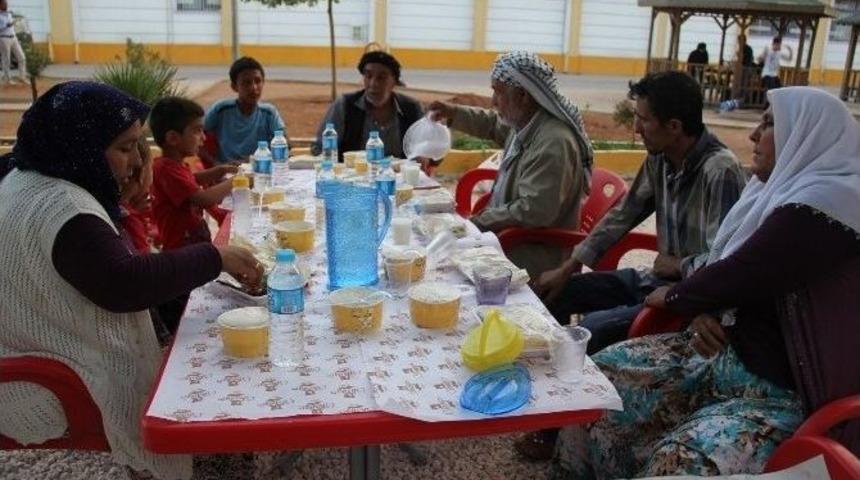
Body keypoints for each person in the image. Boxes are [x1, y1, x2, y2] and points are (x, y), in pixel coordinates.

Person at [550, 87, 860, 479]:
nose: (752, 134)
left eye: (768, 123)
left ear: (806, 133)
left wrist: (678, 297)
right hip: (719, 353)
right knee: (601, 382)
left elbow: (744, 270)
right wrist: (698, 302)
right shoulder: (768, 191)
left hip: (780, 392)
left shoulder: (830, 201)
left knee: (679, 463)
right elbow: (721, 265)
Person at [0, 81, 263, 480]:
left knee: (204, 320)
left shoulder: (25, 175)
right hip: (53, 372)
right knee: (210, 352)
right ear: (80, 147)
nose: (134, 164)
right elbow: (124, 284)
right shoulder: (66, 209)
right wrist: (214, 257)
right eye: (124, 149)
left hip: (27, 345)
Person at [517, 71, 746, 461]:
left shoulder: (718, 170)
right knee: (551, 294)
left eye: (643, 119)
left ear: (674, 127)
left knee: (590, 331)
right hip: (652, 279)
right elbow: (622, 216)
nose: (636, 128)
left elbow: (726, 259)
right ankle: (547, 401)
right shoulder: (659, 160)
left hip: (684, 296)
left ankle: (558, 433)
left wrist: (680, 265)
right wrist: (569, 266)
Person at [429, 51, 593, 278]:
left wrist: (476, 222)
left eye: (498, 92)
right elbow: (492, 124)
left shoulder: (553, 142)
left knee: (439, 269)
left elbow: (534, 211)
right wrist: (453, 113)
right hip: (504, 237)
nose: (494, 101)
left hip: (529, 254)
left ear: (523, 95)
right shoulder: (527, 123)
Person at [150, 96, 238, 333]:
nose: (204, 138)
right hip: (181, 251)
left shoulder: (176, 166)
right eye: (197, 131)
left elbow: (193, 181)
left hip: (193, 245)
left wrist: (216, 171)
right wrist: (237, 182)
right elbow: (203, 198)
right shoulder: (166, 169)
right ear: (173, 138)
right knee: (188, 309)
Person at [312, 50, 423, 161]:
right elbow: (320, 148)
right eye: (368, 76)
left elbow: (431, 156)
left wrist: (435, 125)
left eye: (381, 77)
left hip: (399, 177)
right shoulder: (345, 106)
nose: (373, 84)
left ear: (394, 81)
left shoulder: (411, 109)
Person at [202, 56, 286, 165]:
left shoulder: (269, 113)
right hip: (226, 172)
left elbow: (284, 143)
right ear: (234, 86)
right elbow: (199, 141)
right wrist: (217, 165)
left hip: (260, 169)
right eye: (246, 83)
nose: (254, 88)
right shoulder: (221, 110)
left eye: (258, 81)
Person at [0, 0, 26, 84]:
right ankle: (7, 79)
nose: (6, 5)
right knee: (6, 60)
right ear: (0, 5)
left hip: (14, 38)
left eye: (6, 3)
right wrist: (6, 26)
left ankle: (22, 77)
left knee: (21, 57)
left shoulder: (9, 13)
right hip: (4, 39)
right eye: (4, 4)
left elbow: (13, 25)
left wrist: (16, 23)